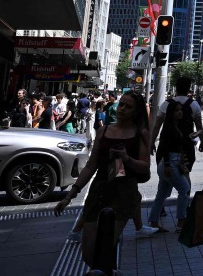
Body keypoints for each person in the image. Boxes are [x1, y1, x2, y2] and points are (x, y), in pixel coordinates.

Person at [54, 91, 151, 269]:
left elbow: (145, 166)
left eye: (128, 107)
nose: (122, 109)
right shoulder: (103, 131)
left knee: (104, 248)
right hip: (99, 191)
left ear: (136, 112)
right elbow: (91, 166)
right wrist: (70, 195)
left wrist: (126, 158)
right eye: (121, 104)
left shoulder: (140, 133)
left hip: (123, 192)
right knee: (89, 253)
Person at [142, 75, 203, 235]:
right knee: (184, 187)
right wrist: (202, 141)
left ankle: (154, 221)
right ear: (189, 87)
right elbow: (199, 126)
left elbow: (156, 126)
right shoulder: (194, 105)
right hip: (176, 157)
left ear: (176, 87)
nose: (181, 112)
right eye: (178, 111)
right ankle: (181, 220)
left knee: (163, 192)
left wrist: (151, 144)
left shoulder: (166, 105)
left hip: (172, 157)